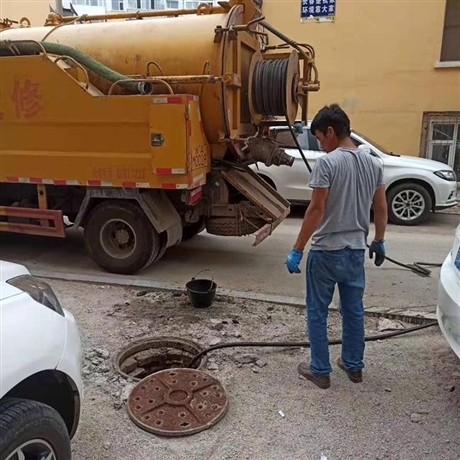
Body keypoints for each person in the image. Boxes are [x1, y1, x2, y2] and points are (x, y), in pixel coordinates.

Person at [285, 104, 388, 389]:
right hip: (355, 251)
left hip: (326, 252)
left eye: (319, 137)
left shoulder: (328, 163)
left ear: (330, 131)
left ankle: (320, 370)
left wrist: (297, 248)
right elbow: (380, 207)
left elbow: (316, 209)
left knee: (317, 312)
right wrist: (379, 241)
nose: (320, 144)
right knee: (353, 311)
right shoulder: (374, 163)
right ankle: (354, 366)